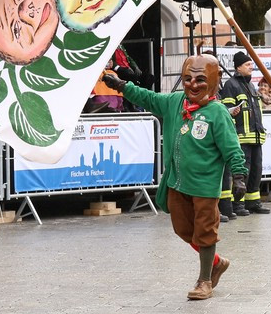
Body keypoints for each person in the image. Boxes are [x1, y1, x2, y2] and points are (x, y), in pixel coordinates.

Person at [105, 56, 246, 300]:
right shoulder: (174, 102)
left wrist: (239, 175)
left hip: (204, 185)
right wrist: (121, 86)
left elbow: (232, 147)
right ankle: (216, 262)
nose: (193, 84)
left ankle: (204, 281)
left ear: (213, 80)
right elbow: (147, 97)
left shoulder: (217, 112)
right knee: (182, 229)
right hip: (176, 182)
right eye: (187, 78)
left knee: (205, 232)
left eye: (200, 79)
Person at [220, 51, 270, 216]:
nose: (251, 67)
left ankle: (253, 202)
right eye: (248, 65)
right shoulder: (231, 85)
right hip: (241, 137)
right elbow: (227, 112)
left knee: (256, 171)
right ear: (238, 67)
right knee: (242, 172)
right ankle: (238, 204)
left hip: (255, 136)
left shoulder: (250, 85)